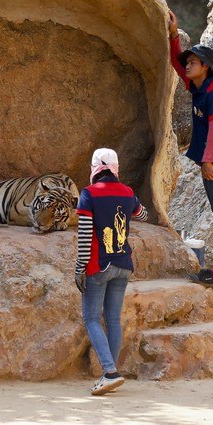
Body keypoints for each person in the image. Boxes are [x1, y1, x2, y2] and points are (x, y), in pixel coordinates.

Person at [167, 10, 213, 287]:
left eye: (194, 62)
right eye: (189, 61)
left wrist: (208, 161)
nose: (187, 65)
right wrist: (175, 34)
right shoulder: (199, 88)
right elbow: (176, 63)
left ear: (205, 67)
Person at [74, 148, 148, 396]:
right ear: (116, 168)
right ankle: (111, 373)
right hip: (123, 264)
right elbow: (143, 214)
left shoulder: (89, 194)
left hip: (99, 265)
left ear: (95, 168)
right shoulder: (127, 192)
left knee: (92, 318)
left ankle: (110, 372)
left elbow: (84, 235)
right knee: (113, 319)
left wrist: (79, 267)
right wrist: (128, 208)